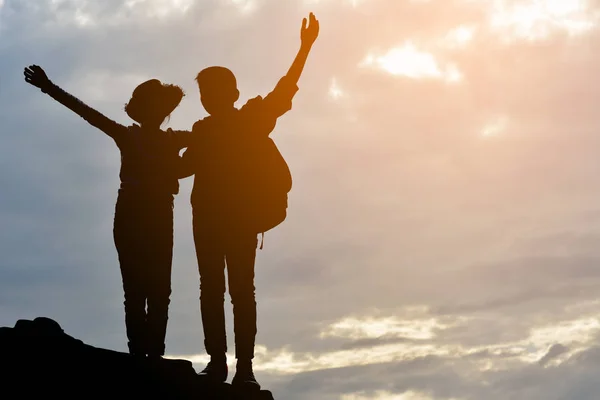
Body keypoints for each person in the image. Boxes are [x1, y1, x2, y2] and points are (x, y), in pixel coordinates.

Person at [179, 12, 320, 388]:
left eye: (214, 93)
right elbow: (183, 168)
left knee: (238, 290)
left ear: (234, 95)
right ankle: (220, 363)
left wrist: (305, 47)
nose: (208, 100)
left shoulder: (252, 118)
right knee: (216, 289)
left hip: (238, 220)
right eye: (204, 95)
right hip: (206, 221)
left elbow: (285, 88)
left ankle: (243, 368)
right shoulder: (202, 129)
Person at [24, 65, 192, 359]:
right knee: (144, 292)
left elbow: (208, 143)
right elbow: (86, 112)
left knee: (154, 292)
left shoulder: (168, 139)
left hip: (151, 215)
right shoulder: (141, 137)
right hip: (138, 215)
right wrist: (48, 87)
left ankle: (151, 355)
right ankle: (144, 355)